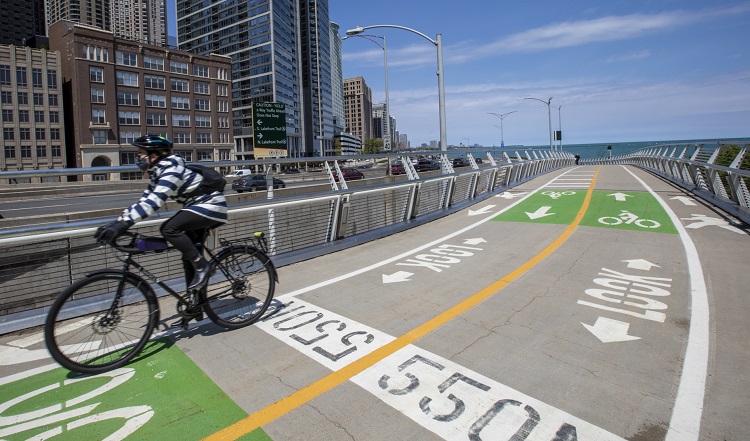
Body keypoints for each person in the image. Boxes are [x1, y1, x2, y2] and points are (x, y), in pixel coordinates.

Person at [94, 135, 228, 291]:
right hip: (197, 206)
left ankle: (202, 264)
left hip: (210, 205)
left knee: (168, 229)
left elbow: (154, 202)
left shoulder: (171, 170)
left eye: (141, 153)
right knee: (187, 257)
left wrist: (125, 224)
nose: (139, 157)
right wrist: (117, 223)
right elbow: (144, 201)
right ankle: (195, 305)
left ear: (154, 155)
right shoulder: (157, 173)